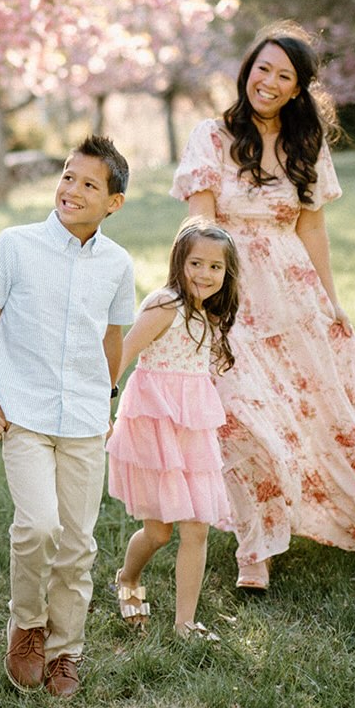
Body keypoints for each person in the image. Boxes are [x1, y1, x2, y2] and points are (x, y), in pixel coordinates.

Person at [172, 21, 355, 591]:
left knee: (310, 412)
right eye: (261, 69)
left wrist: (331, 301)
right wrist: (201, 296)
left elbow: (312, 225)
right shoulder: (212, 136)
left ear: (298, 89)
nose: (267, 82)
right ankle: (257, 549)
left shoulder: (305, 144)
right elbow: (199, 222)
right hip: (230, 289)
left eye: (283, 76)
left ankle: (330, 519)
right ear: (247, 72)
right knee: (240, 415)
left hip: (292, 292)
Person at [0, 136, 136, 700]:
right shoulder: (16, 245)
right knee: (38, 525)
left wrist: (106, 399)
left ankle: (67, 650)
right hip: (26, 414)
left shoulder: (117, 264)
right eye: (68, 176)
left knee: (78, 543)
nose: (73, 189)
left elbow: (112, 337)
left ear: (113, 203)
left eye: (90, 184)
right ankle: (26, 624)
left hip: (86, 419)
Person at [106, 219, 239, 641]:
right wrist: (101, 406)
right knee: (159, 532)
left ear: (227, 274)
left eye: (215, 267)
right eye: (195, 263)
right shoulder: (165, 305)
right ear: (179, 262)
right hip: (153, 426)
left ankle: (185, 624)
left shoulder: (210, 315)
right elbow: (124, 353)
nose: (204, 274)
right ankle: (127, 580)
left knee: (196, 526)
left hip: (190, 429)